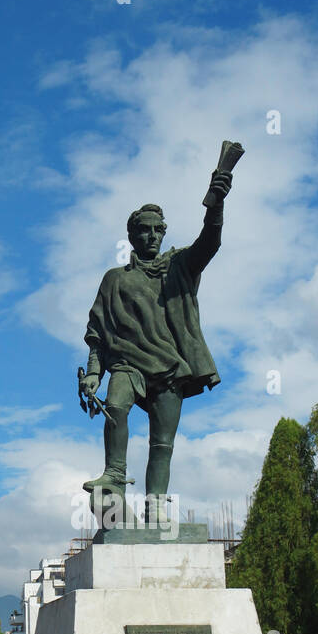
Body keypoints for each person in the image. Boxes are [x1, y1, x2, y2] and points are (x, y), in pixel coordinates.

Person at [80, 167, 233, 520]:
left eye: (157, 230)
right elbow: (99, 333)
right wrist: (93, 373)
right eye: (143, 230)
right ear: (131, 236)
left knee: (162, 444)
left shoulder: (180, 266)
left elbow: (210, 242)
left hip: (170, 367)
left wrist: (217, 202)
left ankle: (156, 506)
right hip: (127, 364)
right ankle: (114, 474)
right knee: (115, 407)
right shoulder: (115, 279)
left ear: (164, 233)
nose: (151, 235)